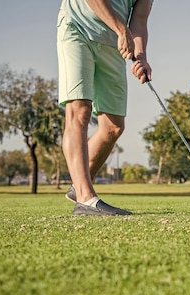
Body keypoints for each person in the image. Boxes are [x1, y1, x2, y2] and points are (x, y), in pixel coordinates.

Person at [56, 0, 153, 215]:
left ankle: (79, 185)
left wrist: (141, 58)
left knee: (113, 126)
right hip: (78, 29)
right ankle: (85, 199)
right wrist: (121, 29)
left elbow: (138, 20)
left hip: (113, 44)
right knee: (80, 110)